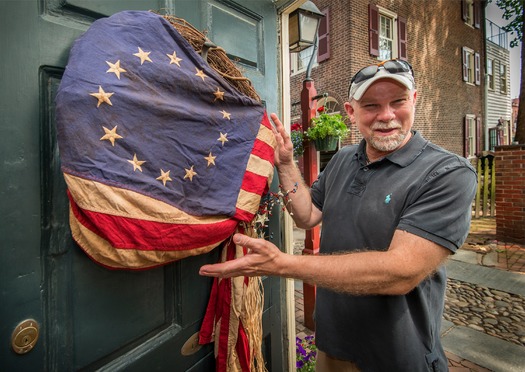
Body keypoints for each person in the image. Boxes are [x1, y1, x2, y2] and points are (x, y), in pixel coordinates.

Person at [200, 59, 478, 371]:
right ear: (350, 111)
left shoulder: (446, 173)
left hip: (396, 353)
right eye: (371, 105)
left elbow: (401, 271)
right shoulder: (345, 158)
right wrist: (286, 164)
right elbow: (306, 215)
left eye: (397, 102)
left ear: (414, 100)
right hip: (332, 344)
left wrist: (282, 264)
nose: (386, 116)